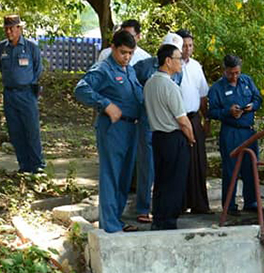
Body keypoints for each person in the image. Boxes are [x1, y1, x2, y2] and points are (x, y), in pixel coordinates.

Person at [74, 30, 144, 233]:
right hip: (113, 129)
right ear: (112, 48)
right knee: (111, 175)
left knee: (124, 177)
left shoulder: (129, 70)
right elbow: (81, 89)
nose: (127, 57)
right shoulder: (103, 69)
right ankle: (109, 224)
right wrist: (105, 105)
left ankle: (116, 219)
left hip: (132, 127)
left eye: (131, 53)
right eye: (123, 52)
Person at [132, 32, 184, 224]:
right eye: (176, 55)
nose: (180, 59)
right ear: (167, 57)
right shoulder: (144, 65)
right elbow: (133, 85)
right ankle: (144, 207)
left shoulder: (180, 70)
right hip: (149, 120)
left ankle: (165, 211)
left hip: (171, 123)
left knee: (167, 170)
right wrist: (141, 105)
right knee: (148, 164)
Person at [144, 44, 196, 230]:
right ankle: (168, 221)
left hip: (157, 137)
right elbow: (182, 120)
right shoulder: (170, 86)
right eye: (178, 58)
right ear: (168, 61)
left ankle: (158, 218)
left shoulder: (149, 83)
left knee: (161, 180)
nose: (181, 62)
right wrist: (191, 138)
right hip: (173, 137)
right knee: (175, 181)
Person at [207, 54, 263, 213]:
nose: (234, 76)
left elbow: (258, 98)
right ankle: (229, 205)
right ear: (225, 71)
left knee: (250, 167)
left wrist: (252, 106)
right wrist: (228, 112)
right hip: (230, 132)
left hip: (248, 131)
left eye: (237, 72)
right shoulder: (217, 88)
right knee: (230, 169)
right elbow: (212, 112)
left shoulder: (247, 81)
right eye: (231, 73)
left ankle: (251, 202)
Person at [0, 15, 45, 173]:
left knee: (31, 130)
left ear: (19, 28)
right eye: (6, 29)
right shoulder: (1, 48)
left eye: (12, 28)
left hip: (27, 93)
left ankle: (37, 166)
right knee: (15, 131)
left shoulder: (31, 47)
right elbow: (1, 67)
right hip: (10, 94)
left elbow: (38, 68)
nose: (9, 31)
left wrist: (30, 85)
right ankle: (24, 166)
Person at [176, 29, 211, 214]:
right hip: (177, 120)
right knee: (180, 162)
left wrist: (207, 120)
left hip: (195, 117)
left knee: (199, 162)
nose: (187, 49)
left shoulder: (196, 66)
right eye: (184, 45)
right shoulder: (172, 65)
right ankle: (179, 204)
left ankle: (199, 204)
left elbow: (203, 95)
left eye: (190, 45)